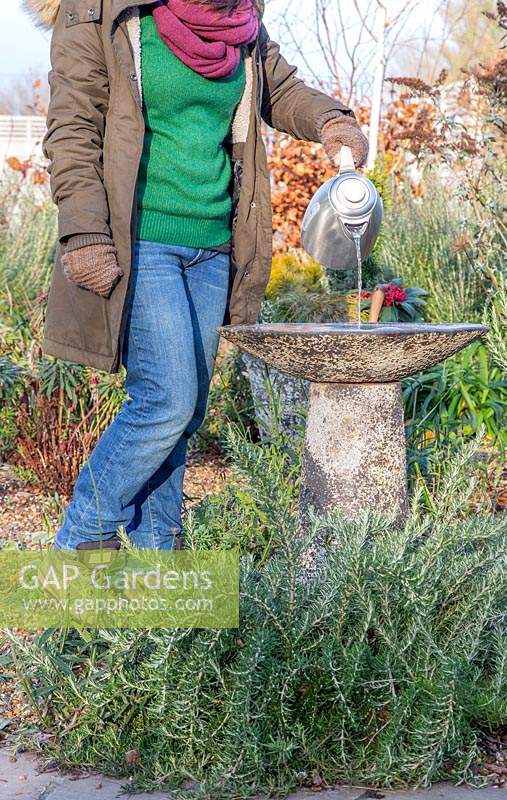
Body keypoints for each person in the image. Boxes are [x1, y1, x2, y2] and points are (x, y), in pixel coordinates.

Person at [26, 0, 369, 551]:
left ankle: (156, 558)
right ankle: (81, 539)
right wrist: (84, 232)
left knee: (187, 415)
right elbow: (72, 130)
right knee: (165, 402)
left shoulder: (241, 26)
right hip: (140, 241)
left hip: (214, 245)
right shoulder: (104, 14)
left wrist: (332, 121)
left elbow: (279, 92)